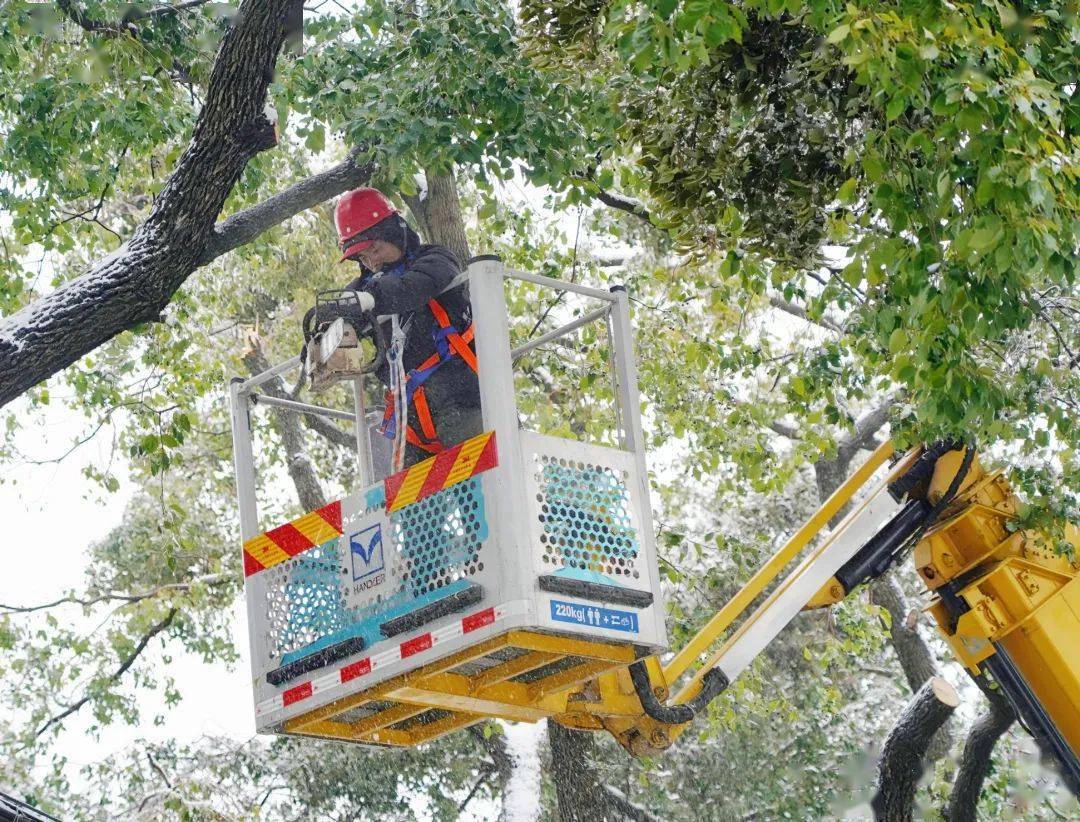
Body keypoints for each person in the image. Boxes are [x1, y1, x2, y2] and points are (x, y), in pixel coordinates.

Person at [333, 187, 482, 471]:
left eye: (375, 249)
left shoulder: (436, 259)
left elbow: (413, 287)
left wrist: (370, 299)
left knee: (483, 493)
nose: (372, 261)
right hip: (411, 422)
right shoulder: (362, 290)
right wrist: (324, 332)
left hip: (462, 400)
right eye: (363, 258)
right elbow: (338, 312)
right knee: (413, 512)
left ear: (395, 232)